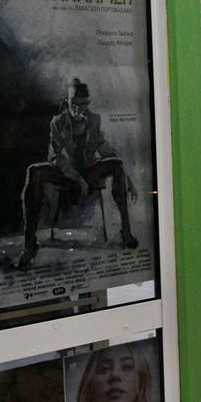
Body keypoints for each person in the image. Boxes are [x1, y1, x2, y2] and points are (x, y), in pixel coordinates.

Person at [17, 78, 138, 269]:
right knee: (34, 172)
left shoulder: (94, 120)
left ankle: (127, 232)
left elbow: (105, 149)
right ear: (67, 102)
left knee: (117, 165)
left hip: (87, 173)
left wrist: (127, 178)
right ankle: (29, 243)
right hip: (64, 174)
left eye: (83, 104)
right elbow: (55, 156)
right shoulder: (57, 122)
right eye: (74, 104)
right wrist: (76, 177)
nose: (78, 109)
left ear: (88, 103)